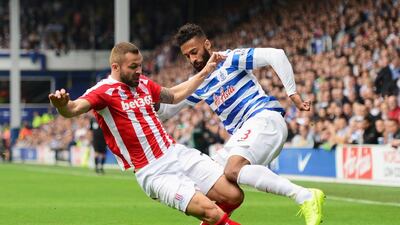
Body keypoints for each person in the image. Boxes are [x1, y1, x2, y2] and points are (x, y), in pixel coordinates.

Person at [49, 42, 243, 225]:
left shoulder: (142, 83)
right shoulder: (103, 91)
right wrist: (62, 106)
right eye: (133, 67)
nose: (139, 71)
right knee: (212, 213)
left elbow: (173, 95)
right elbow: (74, 108)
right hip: (154, 171)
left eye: (140, 65)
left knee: (234, 195)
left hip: (176, 153)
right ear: (115, 67)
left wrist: (205, 72)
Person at [156, 23, 325, 225]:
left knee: (233, 169)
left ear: (207, 44)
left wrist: (292, 93)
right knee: (213, 184)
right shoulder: (198, 82)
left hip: (264, 118)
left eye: (194, 52)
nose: (193, 59)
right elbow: (166, 110)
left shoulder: (229, 59)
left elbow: (276, 55)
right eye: (187, 56)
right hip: (244, 134)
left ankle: (304, 196)